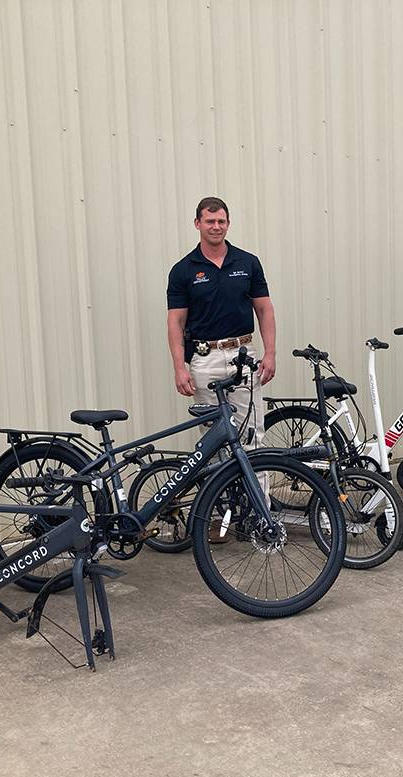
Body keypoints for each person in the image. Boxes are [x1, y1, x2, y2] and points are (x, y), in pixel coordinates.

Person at [166, 197, 276, 538]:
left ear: (228, 224)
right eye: (210, 221)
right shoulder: (184, 270)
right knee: (213, 442)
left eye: (222, 221)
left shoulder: (248, 263)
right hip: (204, 359)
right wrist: (179, 367)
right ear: (197, 223)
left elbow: (265, 310)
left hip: (243, 353)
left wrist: (270, 353)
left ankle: (259, 516)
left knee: (251, 437)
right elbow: (175, 321)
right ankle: (219, 516)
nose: (216, 226)